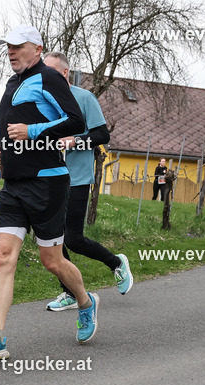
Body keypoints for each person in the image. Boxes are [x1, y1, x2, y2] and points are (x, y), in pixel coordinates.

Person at [0, 24, 96, 360]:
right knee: (3, 255)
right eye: (7, 46)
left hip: (48, 182)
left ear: (37, 48)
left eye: (17, 46)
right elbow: (16, 134)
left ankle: (85, 301)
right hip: (14, 184)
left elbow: (75, 122)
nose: (10, 51)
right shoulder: (13, 83)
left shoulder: (49, 78)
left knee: (52, 261)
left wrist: (32, 131)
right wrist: (5, 153)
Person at [40, 51, 132, 314]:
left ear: (65, 72)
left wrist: (75, 141)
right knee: (48, 238)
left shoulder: (83, 98)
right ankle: (71, 291)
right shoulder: (43, 102)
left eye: (50, 71)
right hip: (49, 177)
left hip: (77, 178)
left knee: (73, 238)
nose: (45, 76)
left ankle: (116, 262)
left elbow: (102, 133)